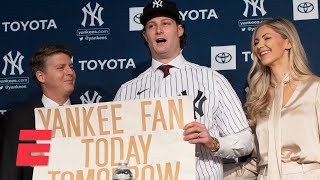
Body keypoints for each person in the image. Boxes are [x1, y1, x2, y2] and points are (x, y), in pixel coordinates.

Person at [114, 0, 253, 179]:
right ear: (145, 35)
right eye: (151, 26)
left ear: (179, 30)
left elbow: (245, 141)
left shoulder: (212, 80)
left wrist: (213, 142)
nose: (159, 30)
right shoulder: (127, 92)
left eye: (166, 23)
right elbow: (116, 151)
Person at [242, 17, 320, 179]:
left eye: (267, 38)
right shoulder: (258, 97)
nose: (259, 46)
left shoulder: (314, 88)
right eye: (256, 42)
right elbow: (256, 162)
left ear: (288, 43)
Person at [0, 44, 76, 180]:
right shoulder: (23, 118)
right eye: (60, 68)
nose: (70, 72)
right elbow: (11, 170)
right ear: (41, 76)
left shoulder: (88, 116)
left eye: (71, 67)